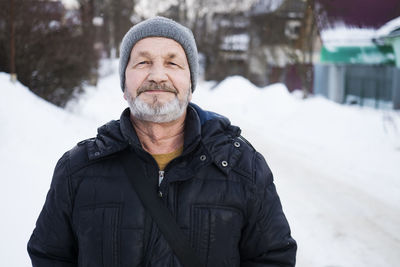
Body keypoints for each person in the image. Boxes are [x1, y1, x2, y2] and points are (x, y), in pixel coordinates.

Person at [27, 16, 297, 267]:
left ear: (190, 85)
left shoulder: (243, 167)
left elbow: (273, 258)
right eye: (143, 62)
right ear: (124, 85)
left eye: (172, 63)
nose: (157, 75)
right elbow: (49, 256)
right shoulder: (77, 169)